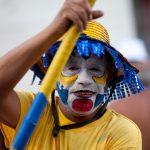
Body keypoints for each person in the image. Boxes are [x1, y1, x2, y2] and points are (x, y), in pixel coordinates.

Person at [0, 0, 144, 149]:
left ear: (108, 78)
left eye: (95, 70)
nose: (84, 80)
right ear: (53, 75)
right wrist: (55, 29)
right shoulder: (32, 111)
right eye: (73, 67)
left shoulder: (120, 132)